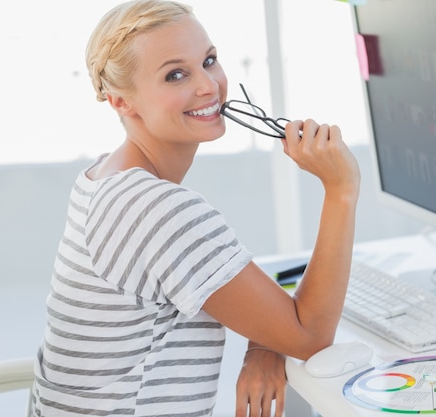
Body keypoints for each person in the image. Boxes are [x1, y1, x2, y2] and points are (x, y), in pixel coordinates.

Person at [30, 1, 360, 416]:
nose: (209, 86)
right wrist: (341, 188)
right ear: (120, 101)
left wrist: (266, 340)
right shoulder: (156, 210)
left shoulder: (104, 178)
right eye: (176, 74)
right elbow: (310, 335)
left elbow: (270, 316)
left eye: (209, 60)